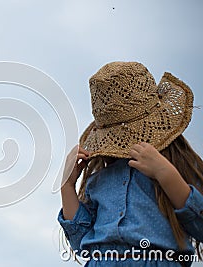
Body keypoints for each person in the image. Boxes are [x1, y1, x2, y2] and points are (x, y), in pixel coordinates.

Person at [58, 62, 203, 266]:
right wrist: (66, 185)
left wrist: (165, 173)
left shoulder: (177, 166)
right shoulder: (98, 181)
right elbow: (81, 241)